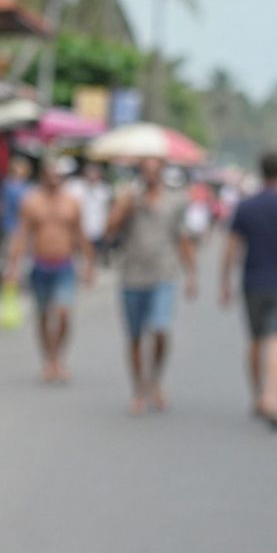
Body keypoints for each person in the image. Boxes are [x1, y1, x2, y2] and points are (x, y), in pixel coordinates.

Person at [220, 152, 277, 432]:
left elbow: (231, 248)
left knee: (256, 339)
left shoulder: (246, 206)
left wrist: (224, 282)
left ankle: (257, 395)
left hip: (252, 280)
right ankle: (271, 398)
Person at [105, 157, 197, 415]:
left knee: (160, 327)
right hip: (132, 274)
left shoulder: (175, 201)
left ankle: (155, 379)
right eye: (146, 171)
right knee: (134, 336)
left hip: (163, 274)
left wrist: (191, 274)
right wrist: (123, 208)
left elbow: (183, 238)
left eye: (155, 171)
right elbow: (109, 231)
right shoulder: (128, 199)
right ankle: (138, 389)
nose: (151, 176)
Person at [3, 158, 95, 383]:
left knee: (63, 313)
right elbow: (22, 234)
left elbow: (80, 234)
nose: (54, 180)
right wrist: (13, 266)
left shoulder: (72, 203)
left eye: (58, 176)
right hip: (40, 265)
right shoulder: (32, 202)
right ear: (43, 177)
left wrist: (89, 263)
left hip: (64, 265)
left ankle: (58, 358)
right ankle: (48, 360)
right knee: (43, 315)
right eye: (49, 175)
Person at [71, 161, 113, 267]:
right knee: (81, 257)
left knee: (94, 257)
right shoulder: (76, 188)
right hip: (82, 230)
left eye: (95, 173)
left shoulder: (104, 190)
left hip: (98, 230)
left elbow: (108, 209)